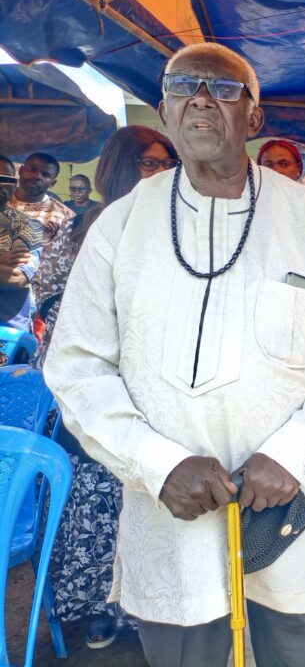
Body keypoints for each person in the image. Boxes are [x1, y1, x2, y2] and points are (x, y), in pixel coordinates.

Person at [44, 42, 305, 667]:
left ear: (253, 119)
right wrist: (157, 461)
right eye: (184, 86)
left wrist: (292, 452)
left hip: (291, 510)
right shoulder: (120, 227)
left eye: (223, 89)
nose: (202, 99)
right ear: (166, 110)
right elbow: (76, 368)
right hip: (170, 515)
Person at [31, 126, 177, 648]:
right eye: (147, 163)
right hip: (99, 397)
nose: (159, 174)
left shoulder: (182, 230)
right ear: (116, 168)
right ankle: (100, 609)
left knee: (153, 504)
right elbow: (52, 315)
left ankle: (147, 609)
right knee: (97, 506)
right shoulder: (79, 231)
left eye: (166, 164)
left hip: (165, 398)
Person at [0, 155, 43, 340]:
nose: (1, 184)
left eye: (6, 179)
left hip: (8, 333)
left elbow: (16, 278)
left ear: (15, 184)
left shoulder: (27, 226)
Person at [9, 152, 75, 243]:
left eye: (45, 174)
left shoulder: (65, 217)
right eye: (32, 169)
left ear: (52, 183)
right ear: (21, 171)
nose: (36, 176)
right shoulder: (3, 199)